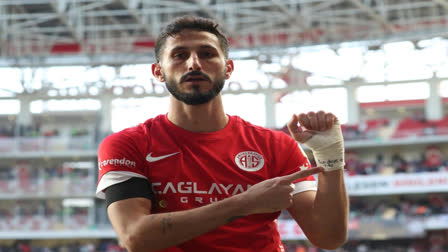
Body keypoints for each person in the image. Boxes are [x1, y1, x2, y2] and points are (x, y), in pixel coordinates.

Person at [96, 16, 348, 252]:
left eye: (206, 54)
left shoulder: (275, 145)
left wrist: (330, 158)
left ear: (228, 68)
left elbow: (328, 237)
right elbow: (135, 236)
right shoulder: (127, 144)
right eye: (179, 55)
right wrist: (245, 202)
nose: (194, 63)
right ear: (158, 72)